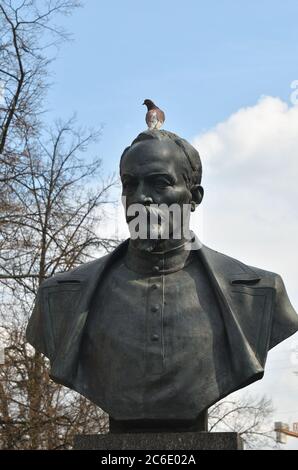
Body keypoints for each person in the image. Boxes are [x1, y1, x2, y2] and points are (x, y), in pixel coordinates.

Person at [26, 130, 298, 433]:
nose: (141, 197)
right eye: (130, 184)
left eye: (159, 182)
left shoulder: (258, 293)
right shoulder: (60, 299)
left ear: (193, 197)